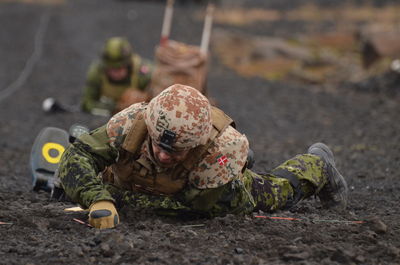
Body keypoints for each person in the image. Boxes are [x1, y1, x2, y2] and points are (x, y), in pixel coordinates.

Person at [58, 84, 348, 229]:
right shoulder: (131, 123)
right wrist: (97, 196)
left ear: (195, 145)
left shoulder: (219, 150)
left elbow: (188, 210)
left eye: (174, 151)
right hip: (140, 182)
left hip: (213, 184)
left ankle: (318, 164)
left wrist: (116, 197)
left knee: (277, 193)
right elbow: (77, 155)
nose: (162, 154)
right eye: (157, 144)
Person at [81, 37, 153, 116]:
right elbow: (87, 103)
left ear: (128, 65)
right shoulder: (97, 73)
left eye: (120, 68)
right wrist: (114, 108)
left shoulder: (143, 73)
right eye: (111, 68)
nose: (115, 73)